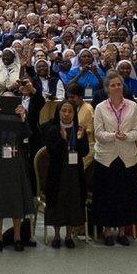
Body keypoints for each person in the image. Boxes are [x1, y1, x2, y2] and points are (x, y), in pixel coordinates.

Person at [91, 71, 137, 246]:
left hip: (127, 157)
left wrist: (126, 136)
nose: (116, 87)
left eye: (119, 84)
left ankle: (122, 231)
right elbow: (98, 133)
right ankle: (106, 230)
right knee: (107, 194)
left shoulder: (132, 107)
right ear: (107, 88)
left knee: (125, 195)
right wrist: (114, 136)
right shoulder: (100, 108)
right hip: (106, 158)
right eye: (112, 85)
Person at [0, 93, 34, 252]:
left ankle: (17, 237)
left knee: (16, 199)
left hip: (16, 161)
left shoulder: (18, 118)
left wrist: (22, 116)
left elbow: (27, 135)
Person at [43, 100, 89, 249]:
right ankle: (57, 235)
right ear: (59, 112)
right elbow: (51, 151)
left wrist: (81, 140)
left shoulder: (78, 130)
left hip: (75, 173)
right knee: (57, 202)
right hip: (57, 173)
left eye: (70, 111)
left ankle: (69, 235)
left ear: (74, 113)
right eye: (64, 111)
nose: (67, 114)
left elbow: (85, 152)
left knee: (73, 201)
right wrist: (62, 140)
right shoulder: (53, 129)